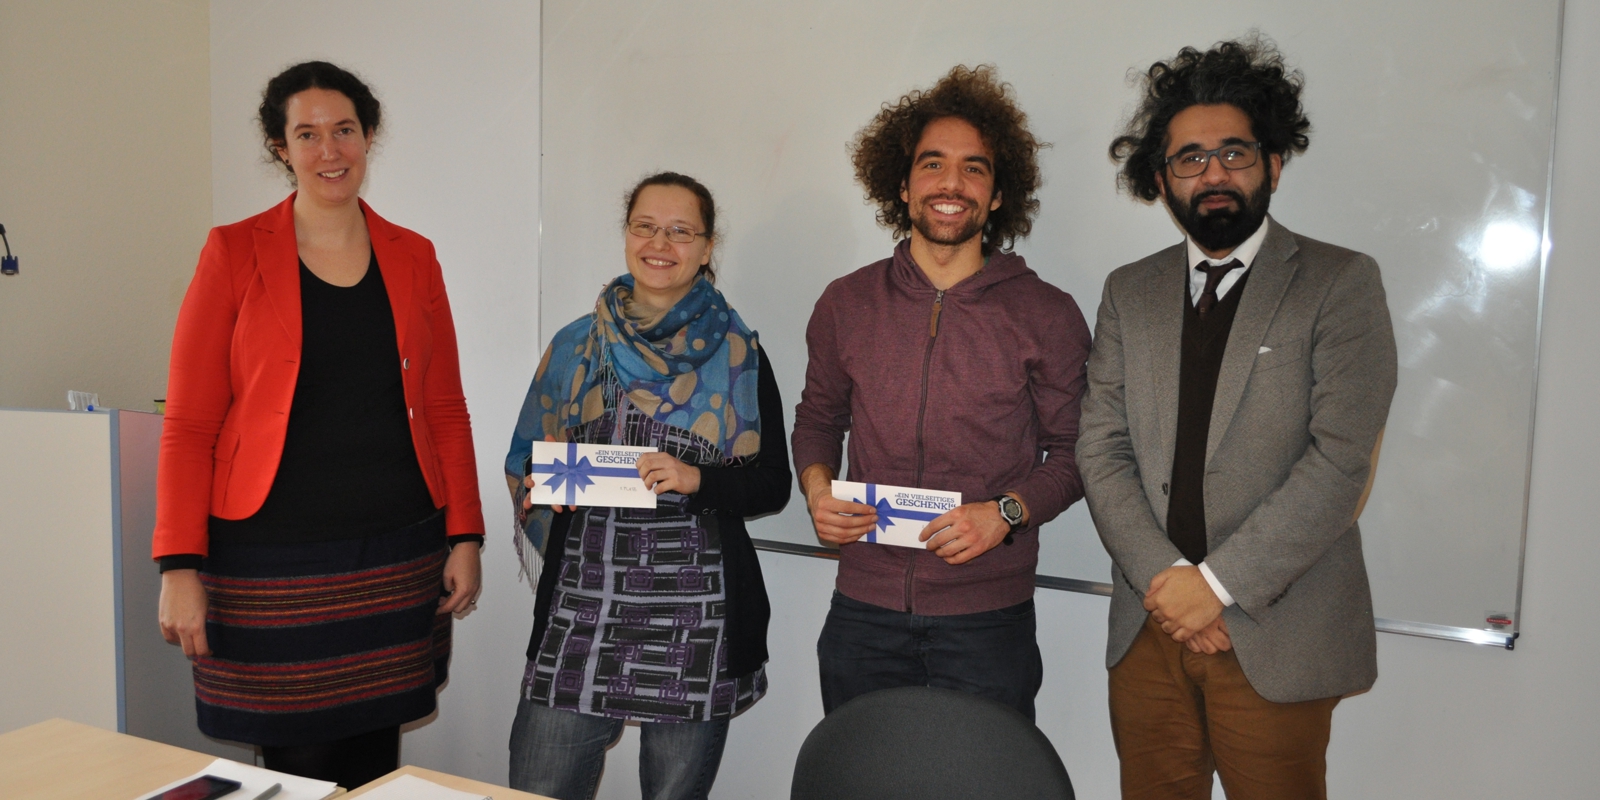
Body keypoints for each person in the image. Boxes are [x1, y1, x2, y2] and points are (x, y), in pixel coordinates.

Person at [1079, 38, 1399, 799]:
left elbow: (1340, 462)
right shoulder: (1128, 291)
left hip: (1277, 631)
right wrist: (1169, 583)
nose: (1213, 173)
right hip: (1151, 627)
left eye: (1234, 152)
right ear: (1162, 180)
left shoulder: (1340, 283)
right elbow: (1101, 447)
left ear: (1273, 164)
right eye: (1190, 159)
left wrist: (1216, 586)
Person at [153, 61, 485, 790]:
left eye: (344, 131)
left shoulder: (414, 255)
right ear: (281, 146)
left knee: (373, 760)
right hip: (269, 557)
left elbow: (445, 409)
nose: (329, 151)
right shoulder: (232, 251)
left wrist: (465, 535)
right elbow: (189, 424)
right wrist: (177, 566)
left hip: (396, 550)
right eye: (307, 134)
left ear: (368, 138)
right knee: (297, 768)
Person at [791, 65, 1091, 720]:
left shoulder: (1048, 314)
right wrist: (816, 489)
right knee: (859, 771)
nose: (951, 184)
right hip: (862, 614)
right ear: (902, 186)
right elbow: (818, 419)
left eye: (973, 168)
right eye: (932, 164)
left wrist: (1005, 513)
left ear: (998, 194)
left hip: (988, 623)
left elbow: (1077, 453)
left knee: (984, 773)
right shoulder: (846, 303)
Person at [505, 172, 789, 800]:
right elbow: (528, 459)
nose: (660, 244)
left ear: (707, 247)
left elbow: (772, 485)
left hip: (697, 620)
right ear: (627, 234)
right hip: (582, 609)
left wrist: (697, 479)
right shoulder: (575, 345)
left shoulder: (740, 354)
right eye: (645, 227)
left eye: (680, 231)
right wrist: (546, 485)